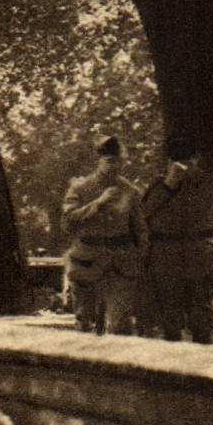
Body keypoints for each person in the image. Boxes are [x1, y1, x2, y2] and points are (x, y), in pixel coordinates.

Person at [141, 135, 213, 344]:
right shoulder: (159, 187)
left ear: (197, 159)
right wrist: (168, 185)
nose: (184, 166)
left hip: (202, 261)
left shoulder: (212, 185)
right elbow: (143, 216)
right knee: (170, 325)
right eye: (178, 161)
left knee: (203, 323)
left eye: (188, 160)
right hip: (166, 263)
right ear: (169, 162)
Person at [61, 134, 146, 335]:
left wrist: (141, 255)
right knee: (85, 322)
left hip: (121, 263)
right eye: (108, 161)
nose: (113, 166)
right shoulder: (81, 188)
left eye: (117, 161)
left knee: (121, 324)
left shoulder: (130, 191)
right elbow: (67, 222)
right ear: (99, 161)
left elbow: (141, 229)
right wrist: (97, 204)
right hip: (87, 261)